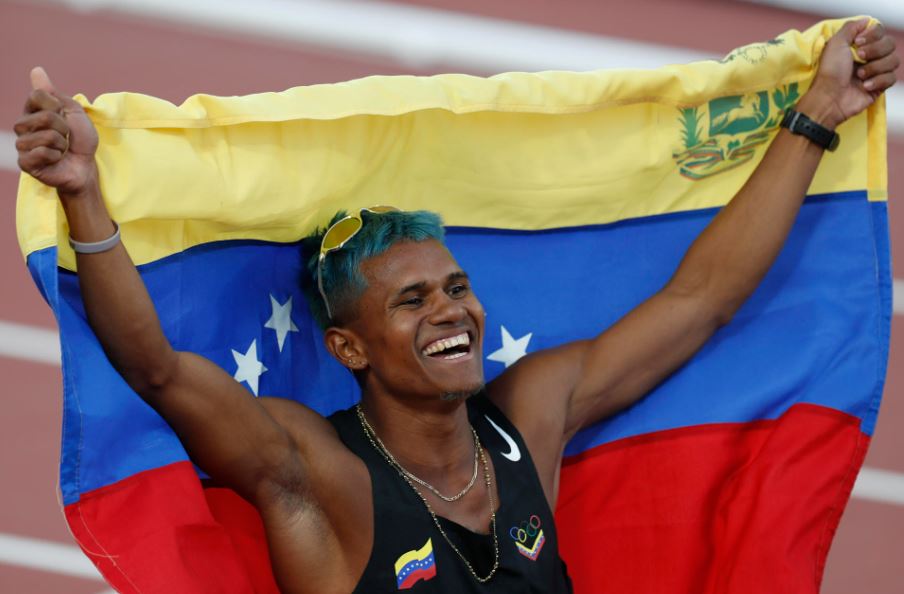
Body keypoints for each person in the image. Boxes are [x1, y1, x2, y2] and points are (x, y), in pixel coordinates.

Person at [13, 18, 898, 594]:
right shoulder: (314, 473)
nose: (451, 311)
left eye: (456, 288)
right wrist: (84, 194)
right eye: (412, 300)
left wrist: (819, 113)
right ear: (349, 347)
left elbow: (699, 301)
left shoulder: (530, 419)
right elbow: (157, 371)